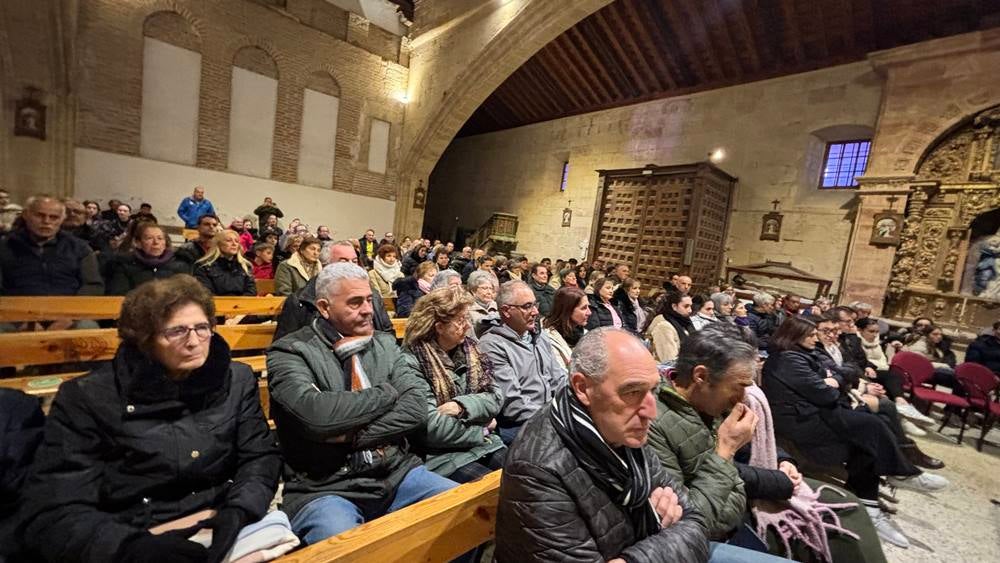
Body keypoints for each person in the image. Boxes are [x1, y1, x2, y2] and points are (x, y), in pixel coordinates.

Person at [17, 275, 282, 562]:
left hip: (222, 520)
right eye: (177, 331)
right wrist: (129, 548)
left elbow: (259, 456)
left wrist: (241, 509)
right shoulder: (88, 397)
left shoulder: (236, 378)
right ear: (144, 339)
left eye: (202, 328)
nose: (194, 342)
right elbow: (57, 509)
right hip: (137, 536)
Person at [496, 327, 765, 563]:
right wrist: (659, 528)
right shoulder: (538, 467)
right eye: (632, 392)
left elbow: (695, 521)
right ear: (582, 388)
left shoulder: (622, 431)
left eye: (652, 390)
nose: (651, 411)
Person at [266, 263, 457, 545]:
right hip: (326, 485)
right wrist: (386, 393)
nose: (368, 309)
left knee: (461, 513)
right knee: (343, 545)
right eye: (355, 302)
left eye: (369, 300)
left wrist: (346, 436)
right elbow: (317, 417)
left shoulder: (384, 344)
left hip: (396, 473)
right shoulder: (291, 351)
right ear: (324, 307)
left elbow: (416, 409)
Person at [762, 316, 946, 548]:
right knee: (873, 425)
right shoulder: (788, 359)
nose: (815, 337)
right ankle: (902, 473)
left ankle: (870, 507)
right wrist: (833, 381)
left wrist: (834, 379)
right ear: (794, 335)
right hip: (802, 424)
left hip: (819, 414)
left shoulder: (807, 353)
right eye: (810, 334)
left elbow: (844, 371)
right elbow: (825, 393)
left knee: (868, 441)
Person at [401, 288, 507, 482]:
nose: (467, 326)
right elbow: (432, 427)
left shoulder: (471, 351)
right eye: (460, 321)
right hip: (442, 456)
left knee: (524, 477)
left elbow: (496, 396)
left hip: (487, 444)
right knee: (489, 493)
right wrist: (481, 429)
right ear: (439, 327)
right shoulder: (411, 361)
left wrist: (461, 406)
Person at [478, 280, 567, 445]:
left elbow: (559, 378)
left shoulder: (539, 336)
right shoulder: (492, 344)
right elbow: (513, 404)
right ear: (506, 311)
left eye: (535, 304)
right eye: (527, 306)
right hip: (518, 424)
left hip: (550, 414)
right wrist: (556, 416)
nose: (535, 312)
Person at [0, 195, 104, 298]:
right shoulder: (5, 246)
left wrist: (72, 307)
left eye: (54, 217)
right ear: (26, 215)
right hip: (15, 310)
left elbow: (92, 285)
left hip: (68, 309)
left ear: (62, 219)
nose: (46, 221)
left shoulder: (79, 248)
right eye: (40, 215)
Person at [105, 222, 190, 295]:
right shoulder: (124, 265)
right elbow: (119, 294)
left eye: (160, 238)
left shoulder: (180, 264)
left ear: (165, 243)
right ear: (138, 243)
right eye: (149, 238)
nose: (156, 242)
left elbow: (187, 294)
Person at [193, 230, 257, 296]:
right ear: (218, 244)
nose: (234, 244)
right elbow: (206, 293)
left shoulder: (245, 266)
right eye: (229, 241)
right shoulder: (203, 266)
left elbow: (251, 291)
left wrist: (238, 304)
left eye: (237, 241)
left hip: (243, 305)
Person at [542, 286, 591, 369]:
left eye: (588, 307)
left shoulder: (585, 334)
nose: (589, 312)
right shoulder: (549, 340)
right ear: (568, 310)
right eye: (583, 308)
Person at [644, 291, 694, 364]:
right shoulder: (663, 327)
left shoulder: (685, 322)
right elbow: (668, 360)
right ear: (674, 307)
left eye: (691, 306)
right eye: (686, 306)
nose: (690, 310)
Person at [467, 270, 499, 337]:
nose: (489, 292)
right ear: (473, 291)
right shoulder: (467, 309)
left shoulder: (498, 306)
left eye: (491, 288)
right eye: (484, 288)